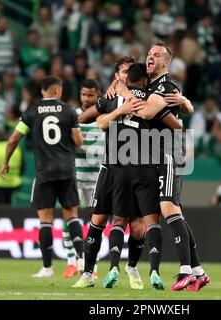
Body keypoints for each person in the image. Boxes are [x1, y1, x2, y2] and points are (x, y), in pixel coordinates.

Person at [114, 43, 210, 291]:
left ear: (166, 63)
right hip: (157, 155)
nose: (150, 57)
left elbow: (146, 112)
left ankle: (185, 271)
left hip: (167, 153)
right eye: (149, 54)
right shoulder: (151, 86)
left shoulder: (165, 86)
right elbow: (176, 110)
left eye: (156, 55)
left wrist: (121, 86)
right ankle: (198, 271)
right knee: (174, 210)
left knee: (167, 207)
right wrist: (186, 104)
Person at [72, 56, 150, 290]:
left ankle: (132, 266)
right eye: (122, 72)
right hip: (110, 168)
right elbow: (88, 120)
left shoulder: (145, 99)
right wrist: (119, 109)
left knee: (136, 227)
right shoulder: (110, 100)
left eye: (129, 71)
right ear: (116, 75)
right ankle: (87, 273)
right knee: (98, 220)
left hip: (137, 169)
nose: (126, 75)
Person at [0, 76, 84, 278]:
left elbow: (13, 140)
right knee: (72, 217)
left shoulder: (32, 112)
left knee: (45, 221)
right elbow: (78, 141)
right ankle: (82, 262)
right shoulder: (68, 111)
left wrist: (5, 162)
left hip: (44, 171)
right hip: (66, 171)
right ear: (57, 90)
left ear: (42, 91)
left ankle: (47, 268)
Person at [62, 79, 103, 279]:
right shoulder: (73, 116)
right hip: (75, 176)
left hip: (97, 179)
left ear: (99, 95)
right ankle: (72, 262)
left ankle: (91, 266)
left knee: (95, 223)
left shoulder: (105, 118)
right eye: (83, 94)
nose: (86, 99)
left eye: (90, 95)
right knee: (69, 218)